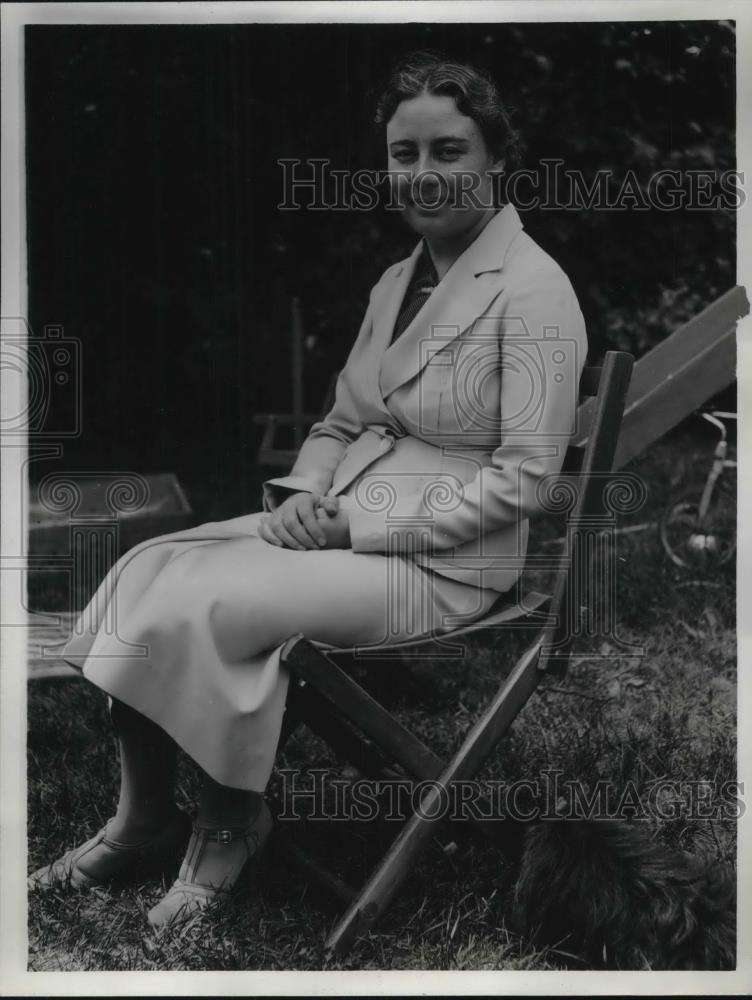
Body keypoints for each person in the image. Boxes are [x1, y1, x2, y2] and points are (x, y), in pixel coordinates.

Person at [29, 51, 587, 927]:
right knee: (145, 566)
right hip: (341, 521)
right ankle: (143, 820)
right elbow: (340, 422)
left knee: (213, 601)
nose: (425, 173)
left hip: (447, 562)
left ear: (496, 160)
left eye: (449, 151)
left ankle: (229, 826)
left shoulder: (535, 290)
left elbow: (523, 480)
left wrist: (352, 530)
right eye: (405, 154)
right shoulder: (398, 282)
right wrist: (300, 496)